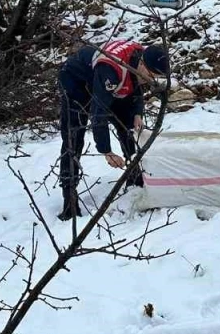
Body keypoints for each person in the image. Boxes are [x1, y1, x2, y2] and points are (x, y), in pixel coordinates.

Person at [56, 39, 170, 221]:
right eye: (150, 74)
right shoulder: (111, 69)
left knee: (129, 128)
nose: (151, 80)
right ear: (142, 63)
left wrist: (137, 113)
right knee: (73, 137)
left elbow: (136, 87)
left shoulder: (140, 59)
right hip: (76, 80)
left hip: (110, 80)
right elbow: (98, 113)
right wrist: (106, 151)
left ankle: (135, 179)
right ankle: (69, 198)